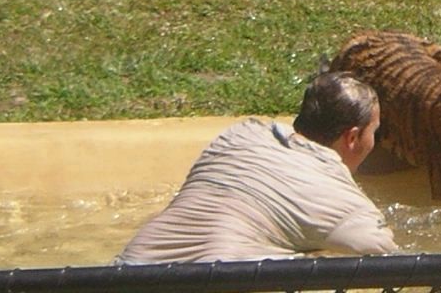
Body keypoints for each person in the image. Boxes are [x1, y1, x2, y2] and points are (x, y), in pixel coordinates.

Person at [115, 72, 398, 263]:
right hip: (215, 283)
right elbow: (392, 262)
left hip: (125, 272)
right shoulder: (344, 202)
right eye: (375, 131)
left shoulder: (238, 136)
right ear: (352, 137)